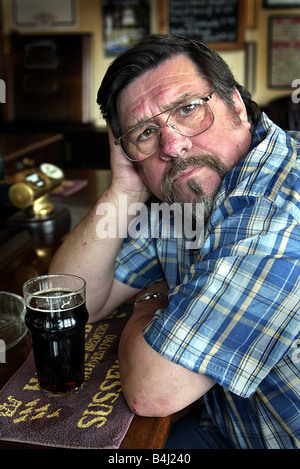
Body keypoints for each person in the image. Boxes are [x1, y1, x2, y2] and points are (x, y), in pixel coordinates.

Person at [49, 34, 300, 449]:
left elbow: (153, 391)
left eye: (187, 109)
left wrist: (149, 301)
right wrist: (124, 191)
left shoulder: (275, 208)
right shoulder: (186, 194)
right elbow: (69, 303)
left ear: (236, 104)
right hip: (229, 420)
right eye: (145, 132)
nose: (172, 146)